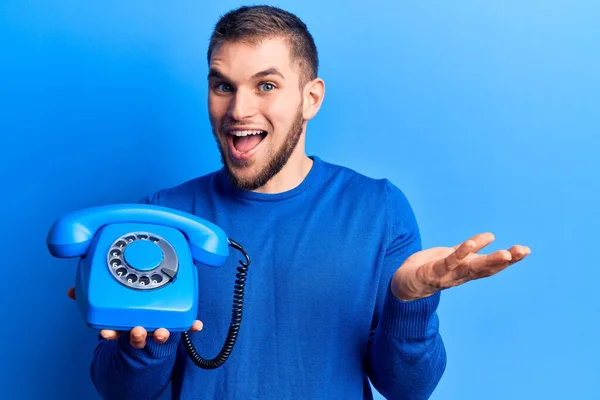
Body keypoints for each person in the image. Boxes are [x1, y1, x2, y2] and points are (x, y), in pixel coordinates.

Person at [68, 5, 530, 400]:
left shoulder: (378, 209)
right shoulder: (160, 220)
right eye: (223, 85)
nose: (238, 110)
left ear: (311, 99)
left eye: (265, 86)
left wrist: (410, 300)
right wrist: (143, 342)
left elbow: (408, 389)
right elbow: (119, 390)